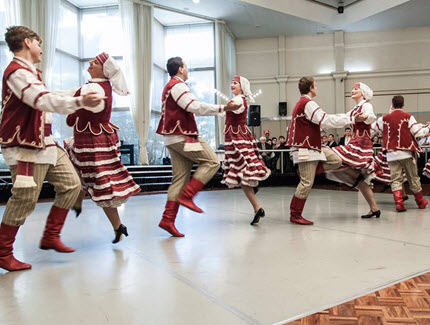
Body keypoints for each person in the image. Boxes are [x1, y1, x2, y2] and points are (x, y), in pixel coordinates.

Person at [0, 26, 104, 272]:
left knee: (72, 185)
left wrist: (80, 92)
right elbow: (40, 99)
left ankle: (51, 236)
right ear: (27, 42)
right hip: (25, 147)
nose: (40, 50)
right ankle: (3, 252)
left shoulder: (29, 73)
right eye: (38, 44)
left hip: (45, 143)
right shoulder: (17, 73)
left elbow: (48, 94)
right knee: (25, 199)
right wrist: (79, 101)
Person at [156, 57, 240, 237]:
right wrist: (224, 108)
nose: (187, 70)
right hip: (182, 136)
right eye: (185, 66)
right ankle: (188, 195)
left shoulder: (170, 86)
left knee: (179, 178)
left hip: (172, 138)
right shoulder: (178, 86)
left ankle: (167, 219)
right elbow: (194, 106)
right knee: (213, 162)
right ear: (180, 69)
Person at [65, 52, 141, 243]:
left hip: (92, 140)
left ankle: (78, 204)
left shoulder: (94, 88)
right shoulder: (100, 86)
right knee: (93, 178)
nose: (90, 62)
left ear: (105, 70)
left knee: (98, 181)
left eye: (96, 62)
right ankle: (114, 224)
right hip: (93, 139)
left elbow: (70, 100)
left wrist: (44, 97)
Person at [286, 76, 365, 225]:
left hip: (313, 147)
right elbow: (326, 120)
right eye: (315, 85)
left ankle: (312, 170)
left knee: (336, 160)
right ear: (311, 88)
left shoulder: (303, 103)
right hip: (307, 148)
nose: (317, 87)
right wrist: (352, 119)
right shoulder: (308, 103)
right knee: (306, 183)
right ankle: (295, 214)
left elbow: (322, 121)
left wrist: (350, 117)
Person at [326, 82, 381, 218]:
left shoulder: (366, 105)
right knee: (360, 182)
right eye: (352, 89)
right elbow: (342, 119)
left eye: (356, 89)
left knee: (334, 155)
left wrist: (365, 117)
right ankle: (374, 209)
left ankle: (357, 176)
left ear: (363, 92)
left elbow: (372, 118)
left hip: (361, 145)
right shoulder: (352, 111)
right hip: (355, 143)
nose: (353, 90)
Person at [221, 76, 271, 225]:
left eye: (235, 83)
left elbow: (234, 109)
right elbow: (226, 112)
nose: (232, 85)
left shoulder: (238, 100)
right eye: (231, 83)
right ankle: (257, 207)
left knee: (242, 172)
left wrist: (225, 107)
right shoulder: (237, 99)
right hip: (235, 137)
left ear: (242, 86)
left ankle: (257, 205)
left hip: (237, 138)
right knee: (242, 174)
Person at [375, 96, 429, 211]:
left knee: (395, 179)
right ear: (403, 104)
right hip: (407, 153)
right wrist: (427, 127)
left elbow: (373, 129)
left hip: (391, 154)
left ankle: (399, 203)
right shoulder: (408, 117)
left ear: (392, 104)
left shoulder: (383, 119)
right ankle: (420, 202)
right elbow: (418, 132)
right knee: (413, 177)